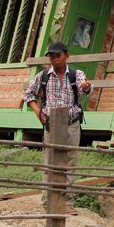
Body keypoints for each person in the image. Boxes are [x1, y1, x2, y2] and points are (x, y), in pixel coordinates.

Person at [23, 41, 92, 207]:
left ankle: (67, 203)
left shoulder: (77, 74)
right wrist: (39, 113)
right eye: (52, 57)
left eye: (58, 56)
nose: (55, 60)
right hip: (51, 124)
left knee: (70, 163)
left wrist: (86, 87)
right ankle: (48, 203)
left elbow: (85, 90)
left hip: (72, 123)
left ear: (67, 56)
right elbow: (28, 95)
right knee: (50, 163)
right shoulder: (43, 76)